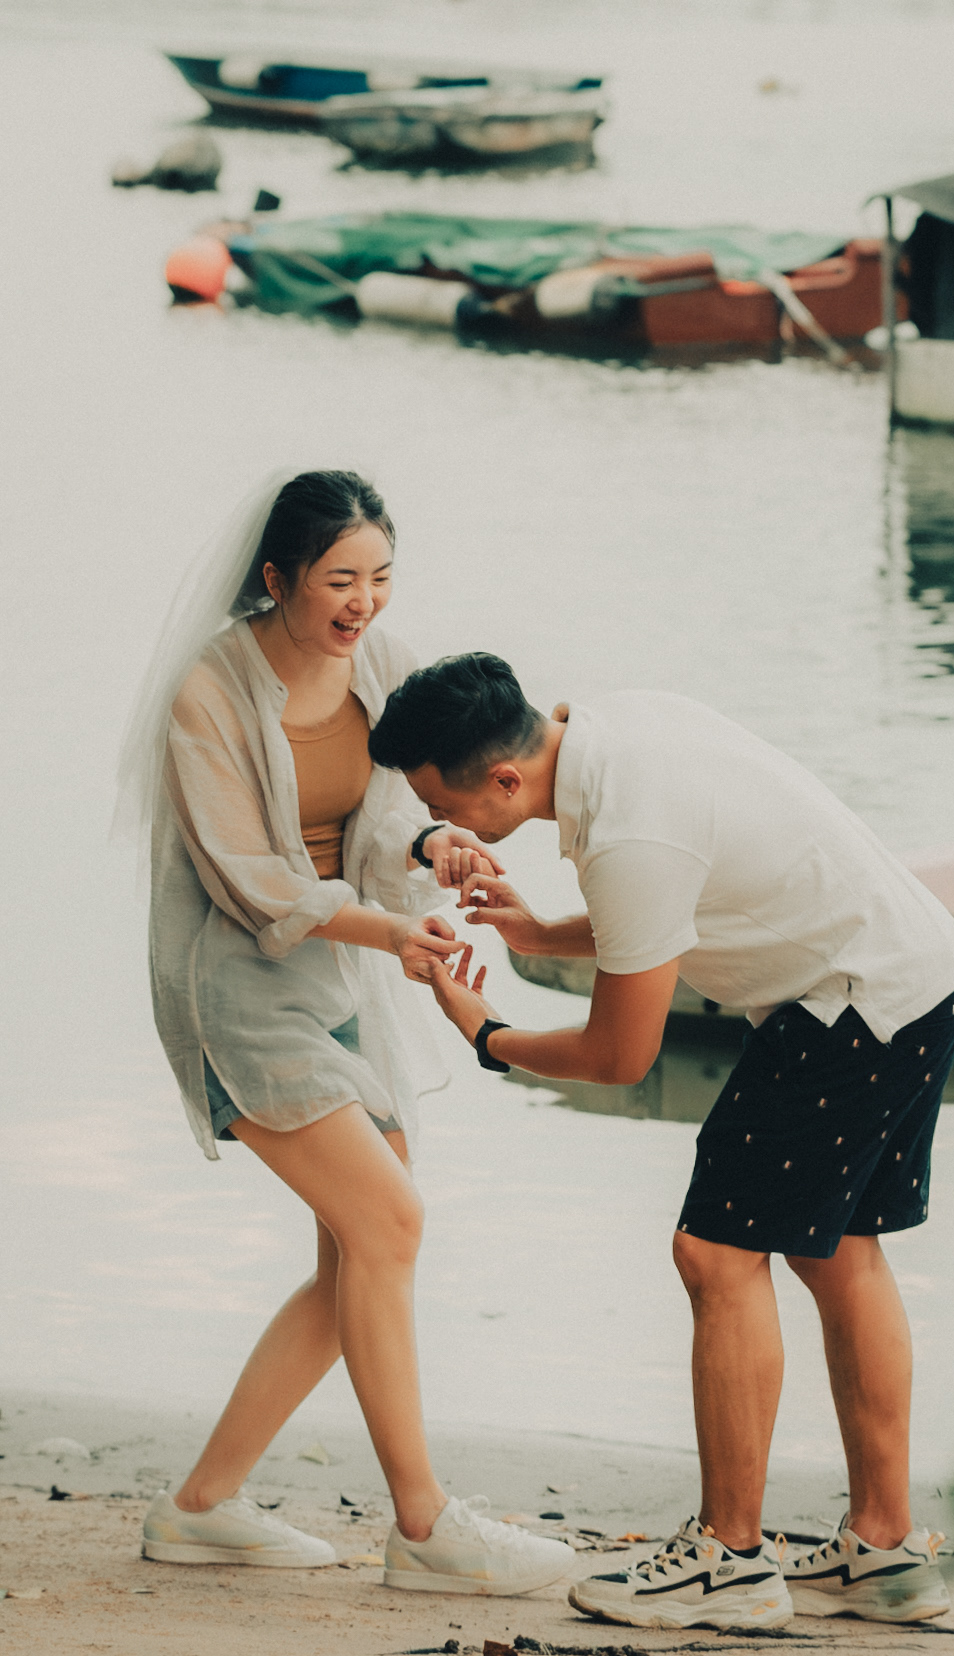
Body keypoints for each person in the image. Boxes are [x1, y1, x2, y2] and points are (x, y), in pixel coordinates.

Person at [367, 652, 954, 1631]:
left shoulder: (626, 833)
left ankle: (728, 1561)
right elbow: (678, 901)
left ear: (506, 780)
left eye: (444, 806)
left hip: (851, 1003)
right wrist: (543, 935)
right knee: (840, 1253)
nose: (446, 825)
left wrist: (487, 1034)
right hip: (920, 973)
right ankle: (884, 1553)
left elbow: (618, 1055)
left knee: (715, 1252)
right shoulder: (616, 727)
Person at [116, 478, 573, 1596]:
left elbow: (390, 815)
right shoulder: (208, 695)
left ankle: (200, 1507)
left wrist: (435, 851)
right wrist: (393, 930)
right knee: (391, 1221)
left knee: (356, 1257)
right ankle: (424, 1526)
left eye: (380, 578)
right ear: (277, 579)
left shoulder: (379, 666)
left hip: (343, 976)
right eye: (339, 581)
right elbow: (252, 882)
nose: (363, 603)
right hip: (236, 985)